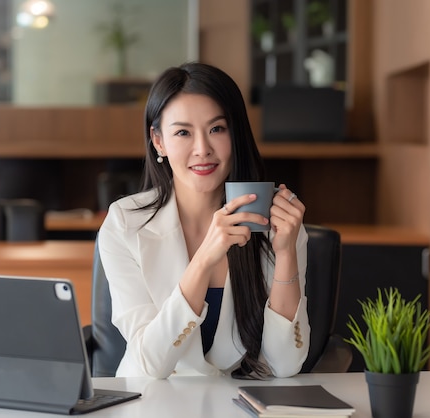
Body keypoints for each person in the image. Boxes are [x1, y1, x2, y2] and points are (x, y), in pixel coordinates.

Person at [98, 62, 309, 379]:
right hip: (153, 403)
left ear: (235, 135)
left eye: (217, 129)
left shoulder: (276, 222)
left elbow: (284, 365)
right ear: (159, 142)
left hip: (240, 403)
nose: (202, 149)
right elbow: (149, 365)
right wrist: (204, 259)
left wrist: (286, 253)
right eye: (183, 132)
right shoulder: (125, 223)